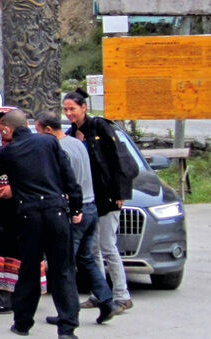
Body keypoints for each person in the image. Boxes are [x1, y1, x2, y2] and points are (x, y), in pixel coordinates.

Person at [0, 109, 83, 339]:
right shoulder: (49, 142)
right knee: (63, 270)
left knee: (28, 272)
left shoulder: (8, 151)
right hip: (57, 213)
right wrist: (76, 207)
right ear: (27, 124)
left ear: (7, 129)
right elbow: (68, 177)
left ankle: (23, 323)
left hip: (29, 217)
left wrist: (0, 154)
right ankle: (67, 328)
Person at [36, 111, 116, 326]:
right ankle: (107, 300)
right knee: (87, 258)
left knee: (64, 266)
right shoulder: (77, 143)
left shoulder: (59, 149)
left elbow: (64, 182)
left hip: (75, 212)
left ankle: (67, 314)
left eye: (39, 131)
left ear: (48, 130)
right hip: (91, 208)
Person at [62, 88, 138, 315]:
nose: (69, 114)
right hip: (89, 200)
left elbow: (120, 160)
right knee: (92, 250)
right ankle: (100, 294)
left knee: (107, 246)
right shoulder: (71, 133)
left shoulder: (100, 127)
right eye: (65, 110)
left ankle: (122, 295)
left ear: (84, 107)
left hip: (108, 198)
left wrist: (120, 194)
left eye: (72, 109)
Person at [0, 106, 39, 315]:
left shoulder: (28, 147)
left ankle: (19, 297)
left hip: (19, 206)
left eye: (6, 122)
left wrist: (14, 189)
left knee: (18, 250)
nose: (2, 127)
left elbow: (37, 176)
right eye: (0, 122)